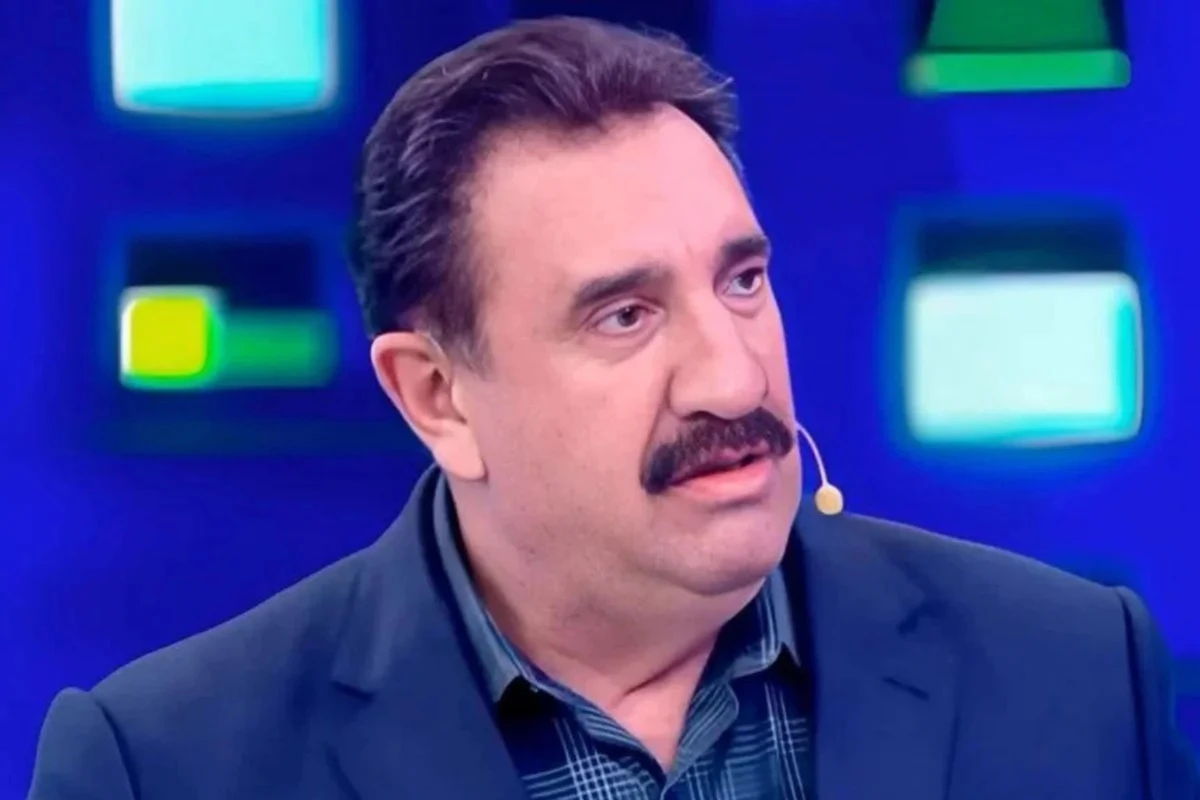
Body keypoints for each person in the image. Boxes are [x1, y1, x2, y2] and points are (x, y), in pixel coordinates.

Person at [28, 16, 1198, 800]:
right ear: (437, 395)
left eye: (743, 280)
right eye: (624, 315)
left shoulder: (1075, 671)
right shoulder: (166, 765)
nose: (733, 379)